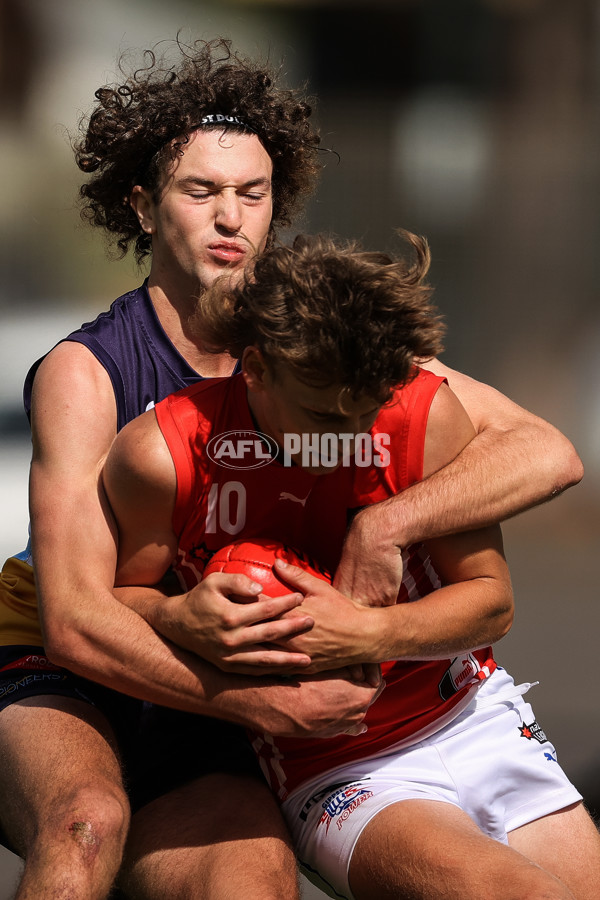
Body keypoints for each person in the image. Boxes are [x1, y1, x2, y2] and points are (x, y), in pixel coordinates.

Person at [0, 33, 584, 900]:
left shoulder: (313, 343)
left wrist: (393, 520)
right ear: (141, 206)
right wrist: (239, 690)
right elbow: (81, 619)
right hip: (77, 652)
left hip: (231, 666)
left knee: (251, 879)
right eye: (201, 192)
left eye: (253, 193)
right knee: (86, 824)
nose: (231, 218)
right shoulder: (89, 375)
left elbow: (543, 449)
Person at [104, 231, 600, 900]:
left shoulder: (423, 414)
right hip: (340, 766)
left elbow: (491, 601)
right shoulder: (163, 453)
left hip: (474, 716)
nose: (348, 440)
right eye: (321, 416)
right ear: (254, 366)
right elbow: (118, 602)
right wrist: (174, 614)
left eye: (365, 416)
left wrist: (368, 632)